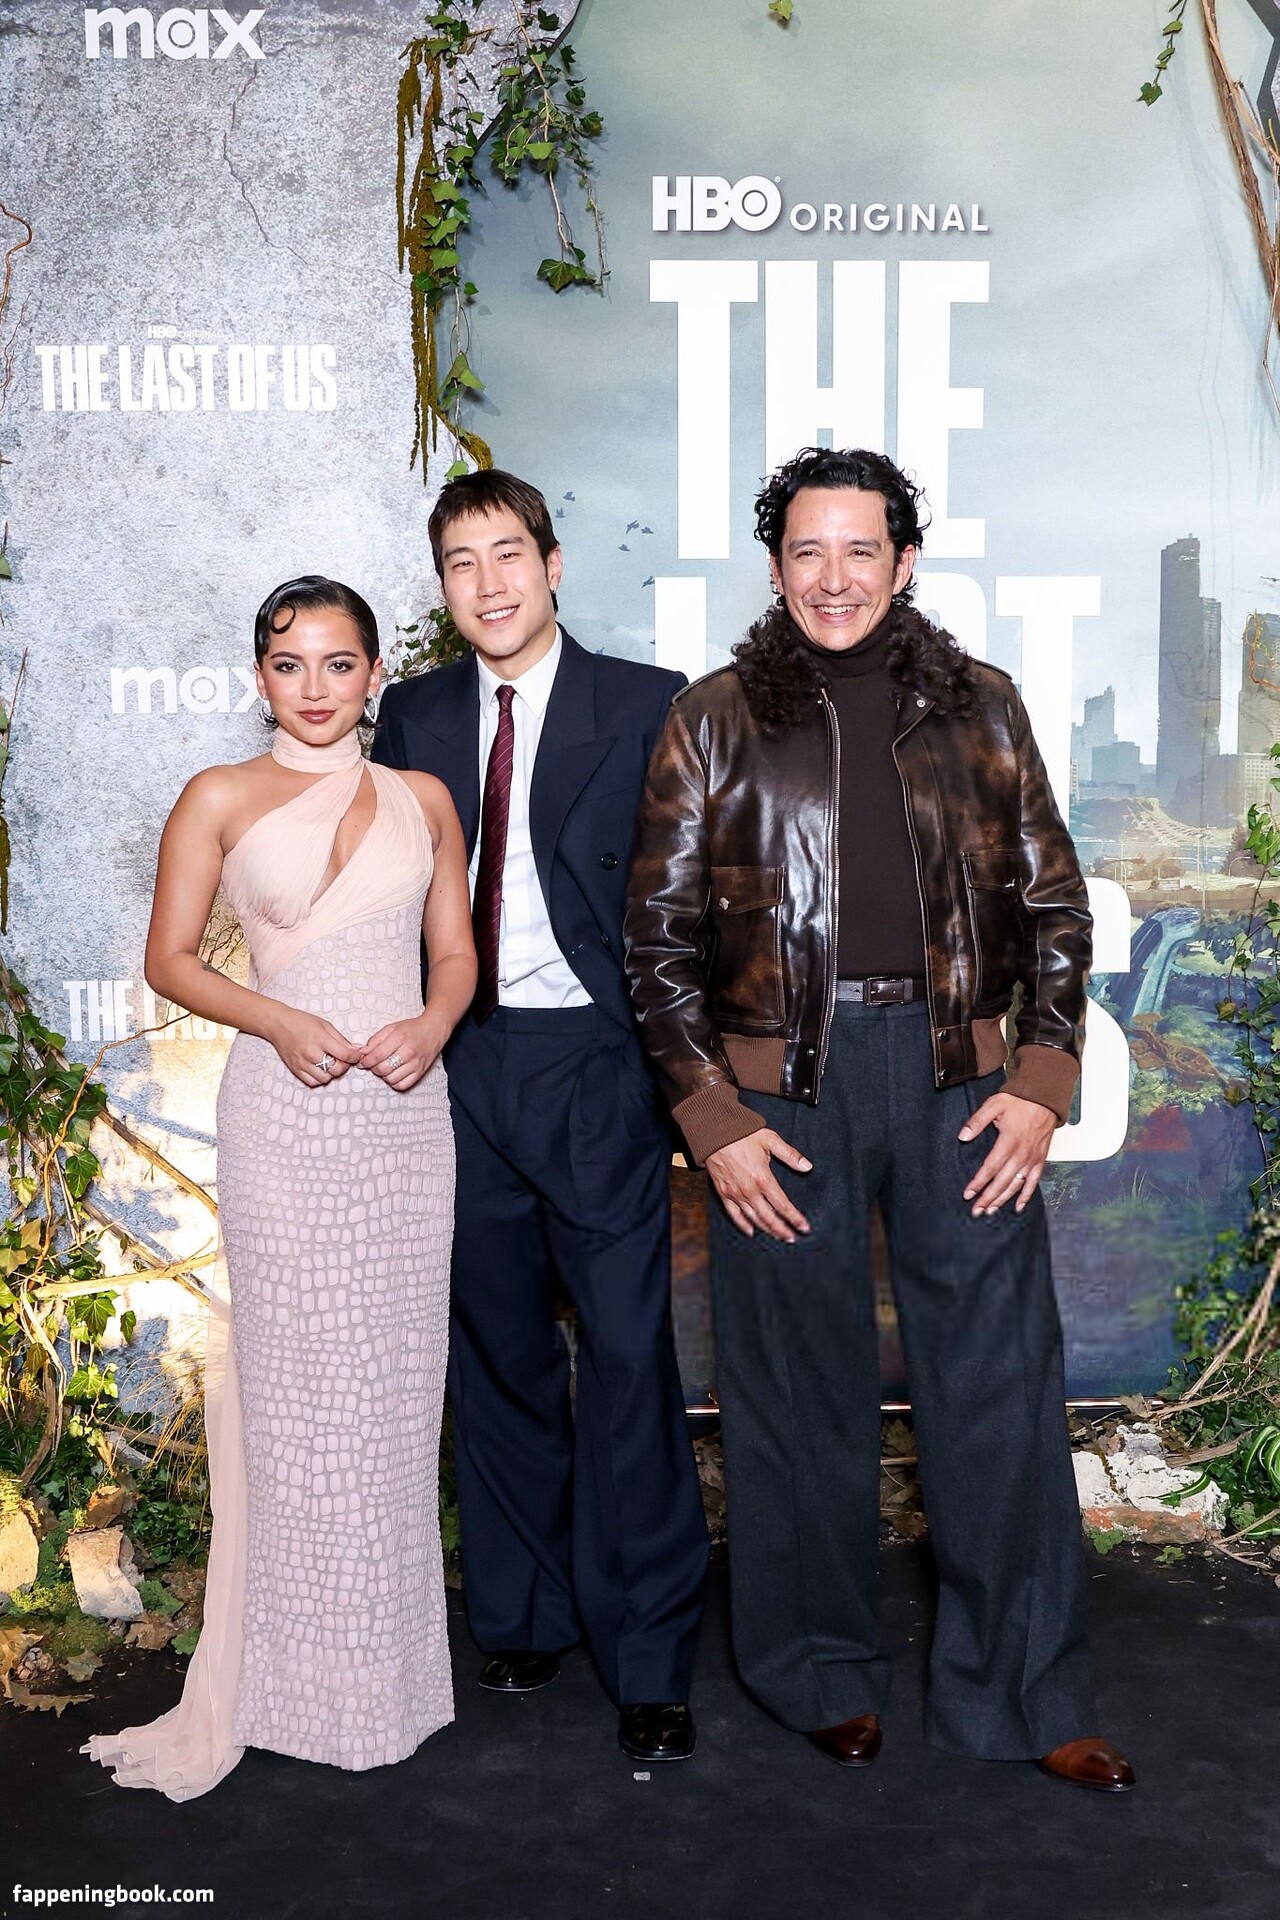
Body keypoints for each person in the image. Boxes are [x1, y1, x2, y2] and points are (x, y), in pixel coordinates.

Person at [624, 447, 1136, 1791]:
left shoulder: (982, 707)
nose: (834, 577)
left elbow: (1056, 910)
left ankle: (1025, 1694)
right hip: (779, 1092)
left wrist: (1039, 1081)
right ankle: (815, 1672)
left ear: (904, 562)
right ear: (775, 566)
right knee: (795, 1389)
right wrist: (712, 1117)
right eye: (808, 550)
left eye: (861, 549)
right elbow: (656, 946)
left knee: (997, 1387)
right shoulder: (712, 719)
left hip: (959, 1078)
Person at [85, 576, 476, 1799]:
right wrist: (279, 1019)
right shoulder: (219, 795)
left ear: (373, 676)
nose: (315, 687)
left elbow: (454, 953)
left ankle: (385, 1683)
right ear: (260, 677)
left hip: (405, 1118)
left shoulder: (423, 798)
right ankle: (286, 1685)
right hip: (285, 1114)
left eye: (339, 663)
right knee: (298, 1401)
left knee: (394, 1402)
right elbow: (168, 959)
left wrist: (433, 1026)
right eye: (290, 664)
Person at [373, 468, 708, 1764]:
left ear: (553, 563)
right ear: (442, 588)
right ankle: (522, 1614)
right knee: (496, 1350)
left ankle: (649, 1657)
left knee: (626, 1359)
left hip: (594, 1066)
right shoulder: (413, 713)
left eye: (508, 554)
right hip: (457, 1064)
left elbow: (694, 903)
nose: (489, 583)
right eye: (461, 563)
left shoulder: (646, 702)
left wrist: (673, 1078)